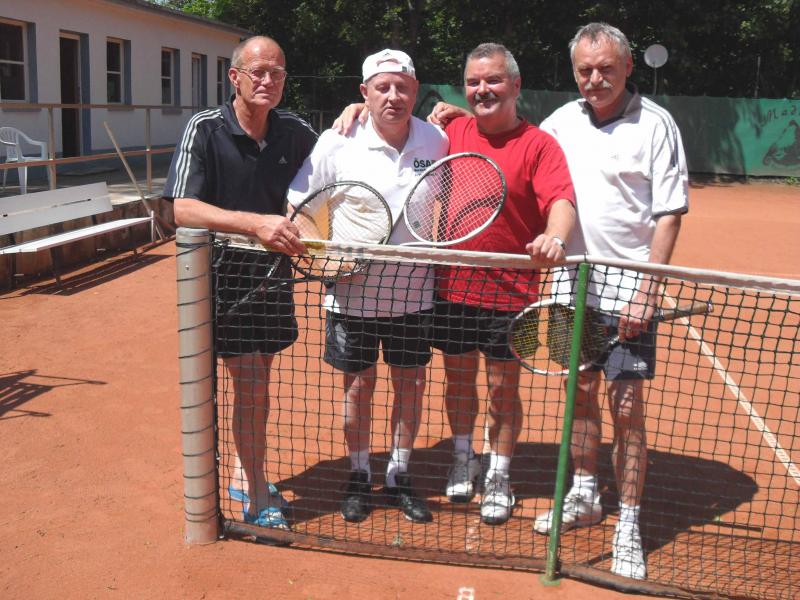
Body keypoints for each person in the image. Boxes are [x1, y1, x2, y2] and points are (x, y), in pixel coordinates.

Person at [337, 43, 576, 525]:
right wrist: (357, 107)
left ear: (516, 84)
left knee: (503, 390)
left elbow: (561, 201)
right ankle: (463, 457)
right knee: (458, 382)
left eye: (494, 80)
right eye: (474, 82)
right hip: (452, 290)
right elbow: (394, 113)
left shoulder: (540, 145)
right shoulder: (454, 131)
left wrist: (554, 236)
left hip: (514, 294)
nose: (483, 89)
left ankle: (499, 474)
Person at [527, 23, 689, 581]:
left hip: (627, 297)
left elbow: (669, 215)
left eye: (606, 69)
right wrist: (451, 119)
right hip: (570, 291)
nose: (595, 79)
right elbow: (517, 147)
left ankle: (629, 523)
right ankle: (585, 493)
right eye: (585, 70)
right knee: (580, 396)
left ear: (627, 68)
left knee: (626, 409)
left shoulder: (656, 125)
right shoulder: (560, 122)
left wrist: (647, 291)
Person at [287, 49, 449, 524]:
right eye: (382, 87)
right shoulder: (337, 141)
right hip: (351, 297)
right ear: (364, 93)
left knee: (410, 386)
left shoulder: (437, 140)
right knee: (357, 388)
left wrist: (457, 111)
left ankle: (399, 474)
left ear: (415, 91)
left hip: (415, 295)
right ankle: (359, 474)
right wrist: (324, 260)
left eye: (402, 87)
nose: (393, 96)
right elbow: (299, 203)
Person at [163, 35, 318, 529]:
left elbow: (338, 163)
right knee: (250, 385)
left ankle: (241, 468)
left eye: (277, 72)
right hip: (220, 281)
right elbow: (181, 208)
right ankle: (255, 493)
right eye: (258, 72)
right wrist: (255, 224)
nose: (267, 80)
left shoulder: (295, 130)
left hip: (274, 279)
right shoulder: (204, 128)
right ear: (235, 77)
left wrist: (356, 113)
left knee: (259, 382)